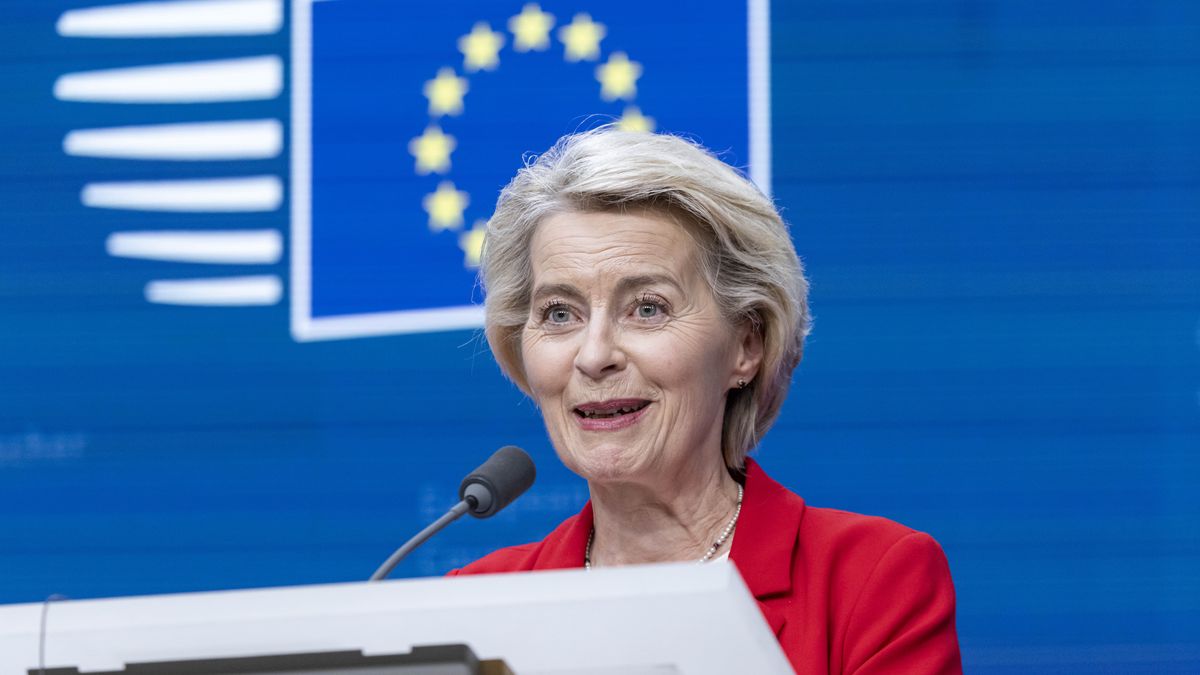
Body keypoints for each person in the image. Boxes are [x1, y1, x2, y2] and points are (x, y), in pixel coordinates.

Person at [449, 128, 962, 674]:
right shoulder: (475, 606)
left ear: (746, 345)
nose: (594, 355)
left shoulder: (871, 580)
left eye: (647, 308)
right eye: (559, 313)